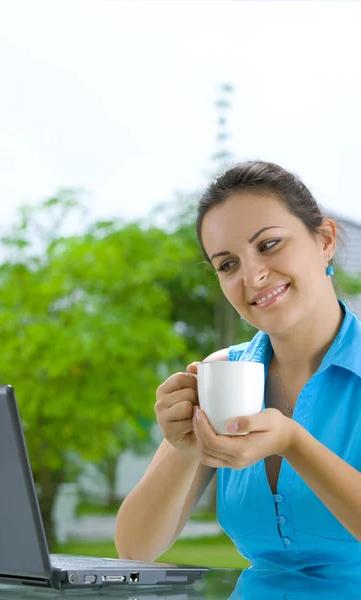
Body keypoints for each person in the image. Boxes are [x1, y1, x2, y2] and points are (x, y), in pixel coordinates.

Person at [115, 160, 361, 572]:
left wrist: (293, 443)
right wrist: (184, 448)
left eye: (269, 245)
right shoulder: (222, 372)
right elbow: (135, 551)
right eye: (227, 264)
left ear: (325, 240)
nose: (253, 276)